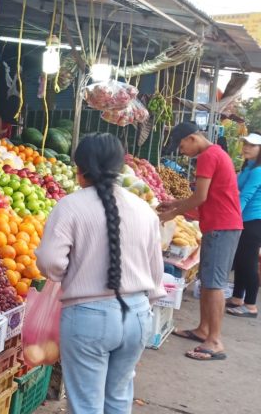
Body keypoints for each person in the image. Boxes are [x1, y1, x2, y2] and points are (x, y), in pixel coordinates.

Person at [35, 133, 166, 414]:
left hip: (87, 319)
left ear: (80, 171)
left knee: (86, 405)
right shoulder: (144, 210)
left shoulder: (70, 206)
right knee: (119, 399)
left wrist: (71, 272)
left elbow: (49, 263)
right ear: (121, 168)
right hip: (137, 315)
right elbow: (157, 274)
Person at [158, 121, 242, 361]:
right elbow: (204, 199)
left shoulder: (207, 156)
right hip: (219, 225)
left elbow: (200, 196)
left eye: (181, 145)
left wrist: (171, 214)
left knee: (214, 284)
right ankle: (204, 329)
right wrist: (175, 205)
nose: (181, 151)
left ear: (193, 138)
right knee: (208, 281)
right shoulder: (216, 154)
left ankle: (214, 341)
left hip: (221, 226)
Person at [226, 133, 261, 318]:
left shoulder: (258, 170)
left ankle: (251, 305)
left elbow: (245, 196)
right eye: (246, 143)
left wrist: (232, 217)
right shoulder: (248, 166)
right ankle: (237, 298)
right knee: (240, 259)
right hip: (243, 219)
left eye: (252, 145)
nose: (246, 147)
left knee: (248, 263)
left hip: (253, 222)